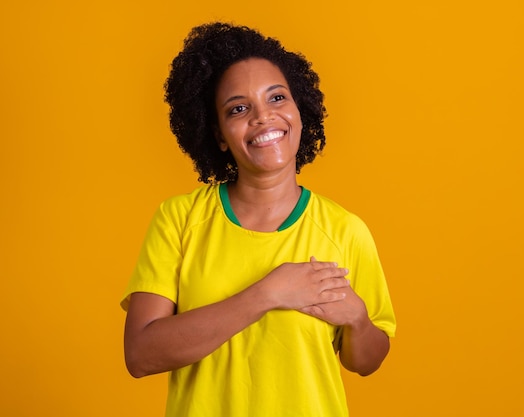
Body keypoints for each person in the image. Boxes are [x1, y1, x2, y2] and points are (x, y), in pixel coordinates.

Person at [121, 22, 396, 417]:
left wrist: (356, 319)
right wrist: (268, 294)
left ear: (299, 111)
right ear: (219, 135)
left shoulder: (344, 230)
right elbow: (141, 354)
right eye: (239, 108)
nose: (264, 118)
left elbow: (367, 361)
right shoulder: (179, 219)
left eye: (277, 98)